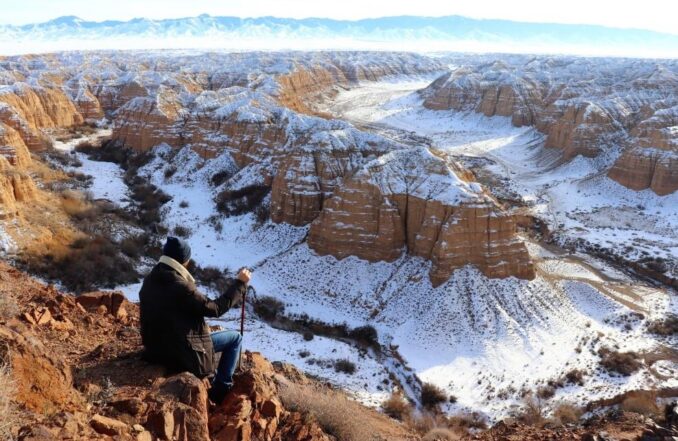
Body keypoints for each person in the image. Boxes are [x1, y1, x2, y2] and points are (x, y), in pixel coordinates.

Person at [139, 236, 252, 404]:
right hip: (180, 353)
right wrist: (240, 285)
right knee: (235, 338)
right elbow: (215, 308)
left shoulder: (150, 279)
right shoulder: (182, 286)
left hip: (155, 350)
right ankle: (221, 389)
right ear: (184, 260)